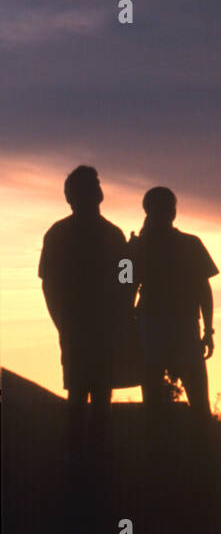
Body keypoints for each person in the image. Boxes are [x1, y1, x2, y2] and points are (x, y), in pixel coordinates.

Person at [38, 165, 128, 453]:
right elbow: (49, 283)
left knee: (92, 396)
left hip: (93, 327)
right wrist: (64, 321)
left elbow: (126, 280)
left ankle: (88, 465)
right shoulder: (65, 234)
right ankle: (85, 466)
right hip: (83, 326)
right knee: (87, 397)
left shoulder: (111, 235)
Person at [129, 187, 217, 423]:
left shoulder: (142, 247)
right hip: (173, 327)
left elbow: (125, 286)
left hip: (160, 327)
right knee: (196, 401)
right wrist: (208, 330)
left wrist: (208, 330)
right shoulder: (189, 244)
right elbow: (204, 291)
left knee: (157, 401)